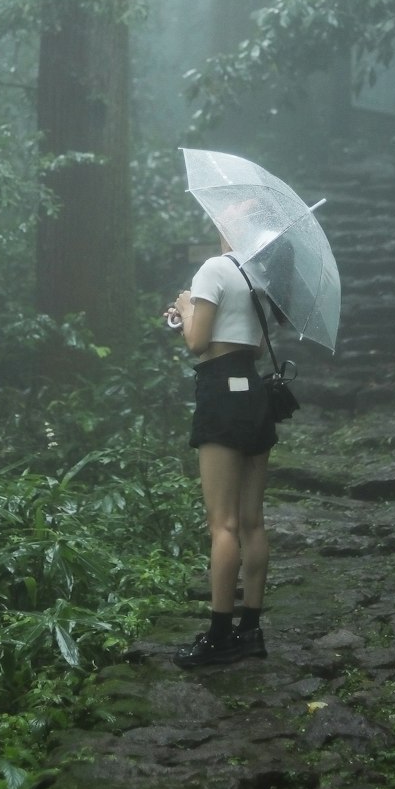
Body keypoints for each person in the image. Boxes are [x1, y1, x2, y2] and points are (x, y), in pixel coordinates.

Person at [166, 233, 277, 668]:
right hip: (253, 391)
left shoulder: (214, 270)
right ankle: (249, 630)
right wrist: (185, 320)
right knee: (252, 521)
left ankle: (218, 635)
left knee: (223, 525)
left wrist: (187, 307)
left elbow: (198, 345)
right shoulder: (261, 279)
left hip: (222, 395)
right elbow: (252, 345)